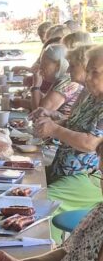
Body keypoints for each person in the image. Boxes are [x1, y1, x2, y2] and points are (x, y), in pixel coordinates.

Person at [34, 46, 103, 219]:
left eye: (95, 73)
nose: (87, 78)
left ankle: (46, 245)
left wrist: (55, 129)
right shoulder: (94, 98)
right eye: (87, 71)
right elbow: (76, 124)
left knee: (35, 206)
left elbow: (90, 144)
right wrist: (54, 120)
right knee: (26, 186)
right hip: (65, 172)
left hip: (85, 177)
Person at [29, 43, 82, 118]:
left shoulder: (66, 82)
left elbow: (38, 114)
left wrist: (36, 87)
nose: (40, 67)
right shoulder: (61, 79)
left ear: (58, 65)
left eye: (44, 63)